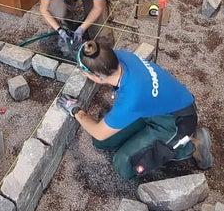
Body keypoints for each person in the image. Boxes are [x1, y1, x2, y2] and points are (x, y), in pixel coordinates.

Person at [56, 41, 213, 179]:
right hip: (152, 107)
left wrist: (76, 110)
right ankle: (146, 138)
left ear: (98, 77)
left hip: (177, 121)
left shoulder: (130, 98)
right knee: (102, 143)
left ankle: (191, 145)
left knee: (124, 165)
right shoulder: (118, 57)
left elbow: (98, 132)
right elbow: (101, 137)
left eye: (84, 72)